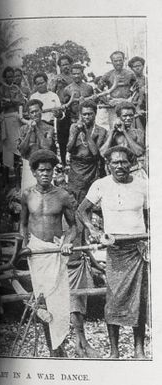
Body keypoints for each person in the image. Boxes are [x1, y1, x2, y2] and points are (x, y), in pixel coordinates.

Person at [78, 146, 149, 359]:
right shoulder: (101, 185)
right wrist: (94, 230)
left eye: (124, 162)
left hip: (137, 248)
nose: (119, 166)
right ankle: (114, 351)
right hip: (115, 249)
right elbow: (81, 211)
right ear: (108, 165)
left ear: (131, 163)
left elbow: (151, 215)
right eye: (115, 162)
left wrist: (149, 239)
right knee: (114, 300)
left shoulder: (143, 186)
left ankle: (139, 350)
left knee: (139, 300)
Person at [20, 149, 76, 357]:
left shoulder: (62, 195)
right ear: (34, 172)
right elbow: (23, 224)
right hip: (36, 252)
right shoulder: (27, 195)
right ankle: (53, 347)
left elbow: (73, 226)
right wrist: (24, 245)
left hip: (55, 251)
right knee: (41, 302)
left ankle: (59, 344)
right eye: (41, 170)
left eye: (49, 170)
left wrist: (67, 243)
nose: (45, 174)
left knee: (59, 301)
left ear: (54, 171)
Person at [66, 100, 107, 357]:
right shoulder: (74, 127)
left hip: (91, 179)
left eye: (91, 114)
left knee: (86, 215)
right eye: (84, 114)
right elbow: (70, 150)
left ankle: (88, 255)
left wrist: (88, 132)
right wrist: (75, 132)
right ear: (79, 113)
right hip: (75, 179)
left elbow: (94, 153)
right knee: (75, 219)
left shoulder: (100, 131)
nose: (88, 117)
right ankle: (85, 255)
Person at [18, 99, 56, 191]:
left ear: (41, 111)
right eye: (32, 112)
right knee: (28, 196)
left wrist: (36, 128)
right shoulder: (23, 129)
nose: (35, 114)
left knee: (45, 197)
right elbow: (22, 150)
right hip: (28, 166)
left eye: (37, 111)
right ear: (29, 114)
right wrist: (30, 131)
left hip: (44, 166)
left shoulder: (49, 128)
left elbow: (47, 146)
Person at [0, 66, 25, 188]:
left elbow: (20, 102)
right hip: (4, 120)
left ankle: (18, 184)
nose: (11, 79)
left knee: (17, 150)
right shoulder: (1, 89)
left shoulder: (16, 88)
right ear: (4, 77)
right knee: (6, 154)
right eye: (8, 76)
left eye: (12, 76)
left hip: (15, 120)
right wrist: (10, 101)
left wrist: (10, 101)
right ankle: (5, 184)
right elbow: (0, 104)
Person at [100, 51, 136, 129]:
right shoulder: (107, 75)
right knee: (114, 130)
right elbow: (98, 91)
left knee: (129, 130)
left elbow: (137, 90)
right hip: (114, 108)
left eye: (120, 60)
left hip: (127, 107)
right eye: (115, 61)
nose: (118, 63)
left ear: (124, 60)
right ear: (112, 62)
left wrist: (131, 99)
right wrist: (107, 101)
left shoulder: (130, 74)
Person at [128, 56, 147, 128]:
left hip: (144, 107)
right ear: (131, 68)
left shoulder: (147, 80)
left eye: (139, 65)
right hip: (132, 107)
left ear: (143, 66)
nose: (137, 68)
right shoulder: (130, 81)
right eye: (134, 66)